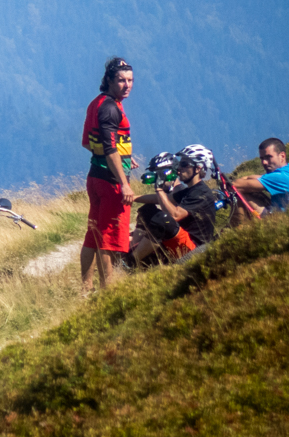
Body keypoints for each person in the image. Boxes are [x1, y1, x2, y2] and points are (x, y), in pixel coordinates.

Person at [80, 56, 134, 294]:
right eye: (121, 80)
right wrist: (123, 182)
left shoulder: (97, 103)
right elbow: (110, 147)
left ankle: (85, 287)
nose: (127, 85)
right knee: (109, 238)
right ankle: (107, 291)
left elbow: (89, 143)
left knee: (93, 234)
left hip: (94, 176)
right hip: (111, 182)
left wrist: (124, 156)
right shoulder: (111, 108)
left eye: (130, 80)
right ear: (110, 80)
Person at [130, 145, 218, 267]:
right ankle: (135, 251)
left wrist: (159, 189)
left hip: (193, 249)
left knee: (163, 219)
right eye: (179, 164)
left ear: (198, 168)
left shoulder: (201, 192)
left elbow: (174, 215)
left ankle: (130, 262)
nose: (179, 169)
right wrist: (132, 198)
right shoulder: (188, 191)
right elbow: (159, 199)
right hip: (180, 241)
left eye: (184, 164)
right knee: (147, 210)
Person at [230, 137, 289, 224]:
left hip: (287, 221)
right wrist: (246, 180)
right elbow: (254, 178)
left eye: (268, 157)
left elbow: (234, 185)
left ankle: (238, 231)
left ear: (282, 156)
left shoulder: (281, 177)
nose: (264, 162)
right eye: (262, 158)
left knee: (237, 193)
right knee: (251, 190)